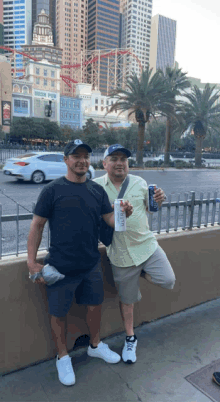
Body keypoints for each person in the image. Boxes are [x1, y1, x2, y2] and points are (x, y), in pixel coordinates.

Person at [27, 139, 133, 387]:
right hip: (60, 267)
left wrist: (123, 214)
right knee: (58, 314)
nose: (82, 160)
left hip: (90, 265)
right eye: (76, 156)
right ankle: (62, 356)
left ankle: (95, 345)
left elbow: (110, 220)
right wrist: (32, 263)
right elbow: (37, 225)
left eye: (85, 156)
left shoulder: (97, 191)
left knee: (95, 306)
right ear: (66, 160)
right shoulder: (52, 190)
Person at [94, 144, 176, 364]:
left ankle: (138, 273)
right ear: (104, 164)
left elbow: (151, 208)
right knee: (127, 300)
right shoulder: (95, 187)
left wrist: (159, 199)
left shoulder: (140, 183)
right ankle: (130, 338)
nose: (120, 163)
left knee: (168, 279)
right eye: (114, 159)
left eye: (124, 159)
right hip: (120, 254)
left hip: (147, 247)